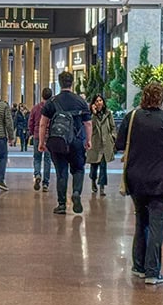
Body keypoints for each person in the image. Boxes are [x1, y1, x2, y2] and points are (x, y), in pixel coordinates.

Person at [114, 82, 163, 285]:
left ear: (144, 96)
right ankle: (153, 272)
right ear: (162, 98)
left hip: (137, 177)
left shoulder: (131, 118)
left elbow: (120, 144)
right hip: (162, 178)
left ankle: (138, 266)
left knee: (141, 221)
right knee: (157, 224)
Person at [39, 71, 91, 215]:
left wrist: (42, 142)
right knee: (79, 169)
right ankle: (76, 193)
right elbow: (88, 124)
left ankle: (61, 204)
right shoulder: (81, 101)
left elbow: (43, 124)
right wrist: (88, 140)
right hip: (76, 141)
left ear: (59, 82)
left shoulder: (52, 101)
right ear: (72, 82)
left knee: (61, 172)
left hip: (57, 141)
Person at [87, 94, 116, 196]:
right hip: (95, 144)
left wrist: (112, 137)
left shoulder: (108, 114)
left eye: (100, 100)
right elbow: (91, 127)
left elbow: (113, 127)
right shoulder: (90, 115)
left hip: (105, 144)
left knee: (103, 167)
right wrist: (94, 114)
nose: (99, 103)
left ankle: (102, 187)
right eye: (96, 101)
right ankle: (93, 180)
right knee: (94, 166)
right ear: (93, 104)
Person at [28, 88, 52, 192]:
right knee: (47, 160)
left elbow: (31, 122)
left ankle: (37, 174)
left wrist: (33, 133)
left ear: (42, 96)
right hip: (49, 136)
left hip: (38, 135)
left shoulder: (35, 108)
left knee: (37, 158)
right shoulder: (53, 108)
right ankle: (45, 183)